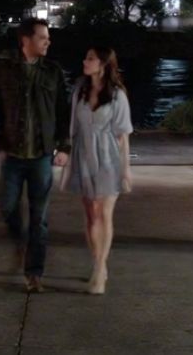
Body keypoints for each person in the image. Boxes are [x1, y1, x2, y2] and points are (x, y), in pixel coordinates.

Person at [0, 18, 69, 293]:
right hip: (13, 155)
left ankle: (34, 273)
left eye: (48, 37)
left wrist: (64, 148)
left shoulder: (53, 72)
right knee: (7, 206)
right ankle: (21, 242)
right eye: (43, 37)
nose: (48, 41)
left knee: (39, 218)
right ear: (26, 41)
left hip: (42, 156)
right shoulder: (3, 71)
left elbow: (63, 112)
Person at [62, 46, 133, 295]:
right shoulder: (79, 91)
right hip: (83, 155)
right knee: (91, 214)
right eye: (86, 56)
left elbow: (123, 135)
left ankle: (100, 269)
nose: (85, 61)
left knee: (105, 214)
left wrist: (125, 170)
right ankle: (96, 263)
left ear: (103, 64)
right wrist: (68, 160)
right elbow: (73, 128)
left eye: (90, 58)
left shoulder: (117, 95)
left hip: (108, 157)